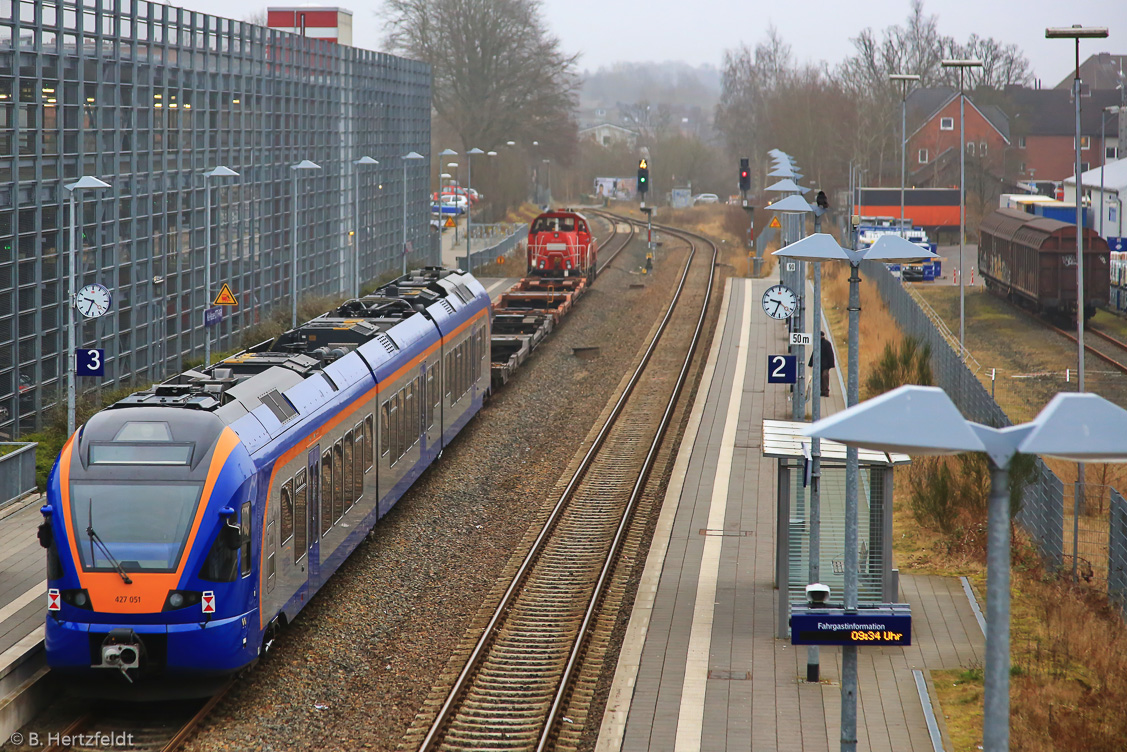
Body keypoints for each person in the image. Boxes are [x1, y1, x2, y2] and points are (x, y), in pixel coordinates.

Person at [809, 331, 835, 397]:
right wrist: (811, 363)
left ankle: (826, 391)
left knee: (824, 376)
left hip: (825, 365)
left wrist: (831, 364)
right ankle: (822, 390)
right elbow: (814, 353)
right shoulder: (817, 344)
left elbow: (830, 354)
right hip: (819, 364)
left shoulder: (827, 344)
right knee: (819, 377)